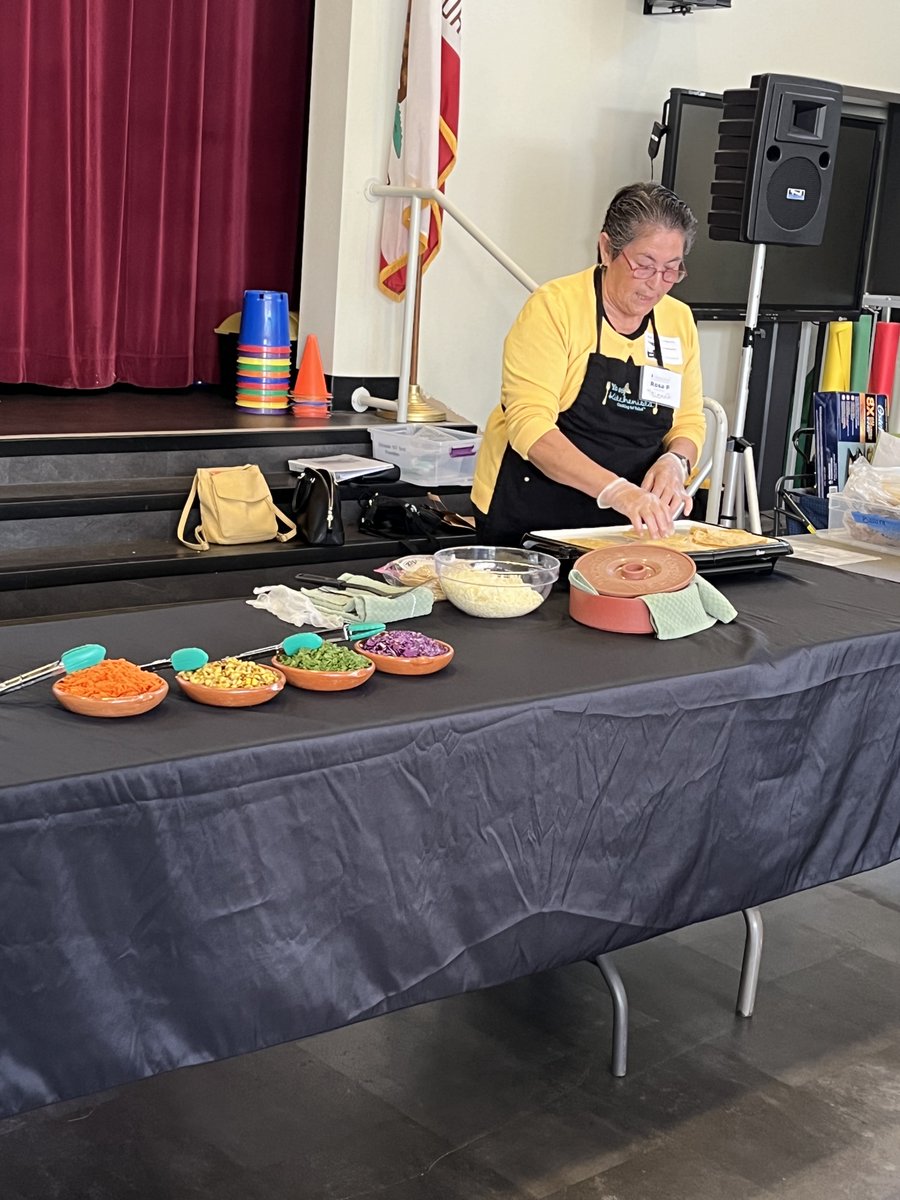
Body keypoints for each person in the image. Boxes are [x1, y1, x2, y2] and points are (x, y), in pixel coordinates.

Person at [471, 182, 706, 546]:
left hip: (627, 526)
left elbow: (689, 420)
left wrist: (676, 462)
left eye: (671, 270)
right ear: (607, 249)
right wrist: (616, 490)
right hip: (533, 516)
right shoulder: (554, 307)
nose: (657, 285)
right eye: (644, 266)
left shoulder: (678, 320)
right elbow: (529, 425)